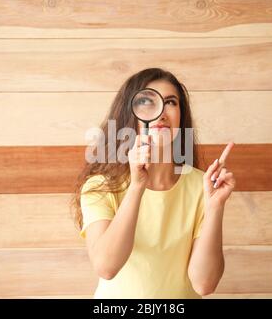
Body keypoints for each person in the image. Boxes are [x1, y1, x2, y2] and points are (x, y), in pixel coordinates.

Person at [71, 67, 236, 298]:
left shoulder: (203, 186)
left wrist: (215, 206)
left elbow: (204, 284)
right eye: (146, 102)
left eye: (170, 102)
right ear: (130, 116)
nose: (161, 113)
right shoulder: (101, 186)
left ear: (181, 115)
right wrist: (137, 186)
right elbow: (106, 267)